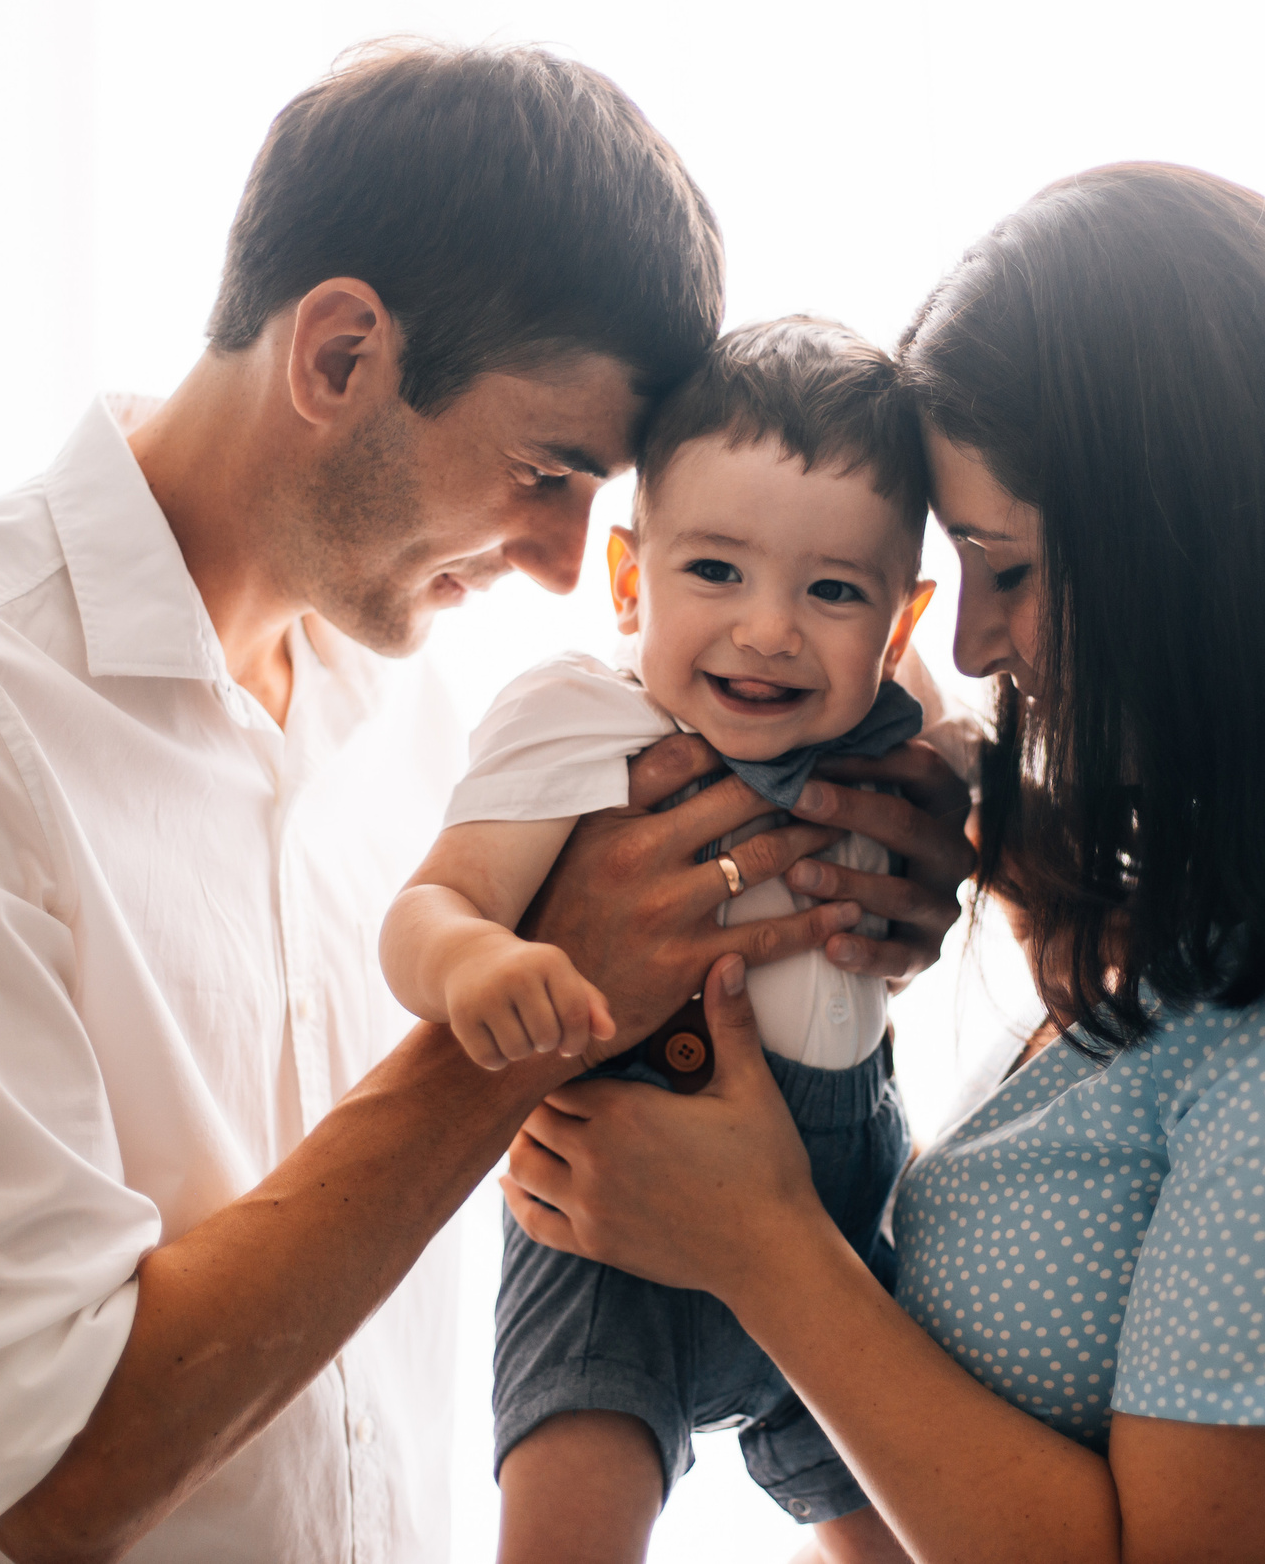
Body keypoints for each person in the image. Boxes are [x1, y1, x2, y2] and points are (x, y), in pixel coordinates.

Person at [0, 41, 974, 1564]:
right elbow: (57, 1469)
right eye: (546, 470)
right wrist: (530, 1019)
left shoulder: (417, 716)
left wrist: (866, 854)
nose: (560, 563)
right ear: (340, 356)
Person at [501, 163, 1265, 1564]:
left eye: (1013, 570)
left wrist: (761, 1240)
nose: (976, 645)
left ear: (1206, 564)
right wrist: (986, 847)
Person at [381, 316, 935, 1559]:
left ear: (900, 625)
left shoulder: (896, 743)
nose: (771, 629)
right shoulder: (581, 720)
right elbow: (429, 906)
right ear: (632, 579)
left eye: (833, 591)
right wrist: (482, 963)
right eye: (716, 573)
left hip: (838, 1223)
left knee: (921, 1523)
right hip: (609, 1224)